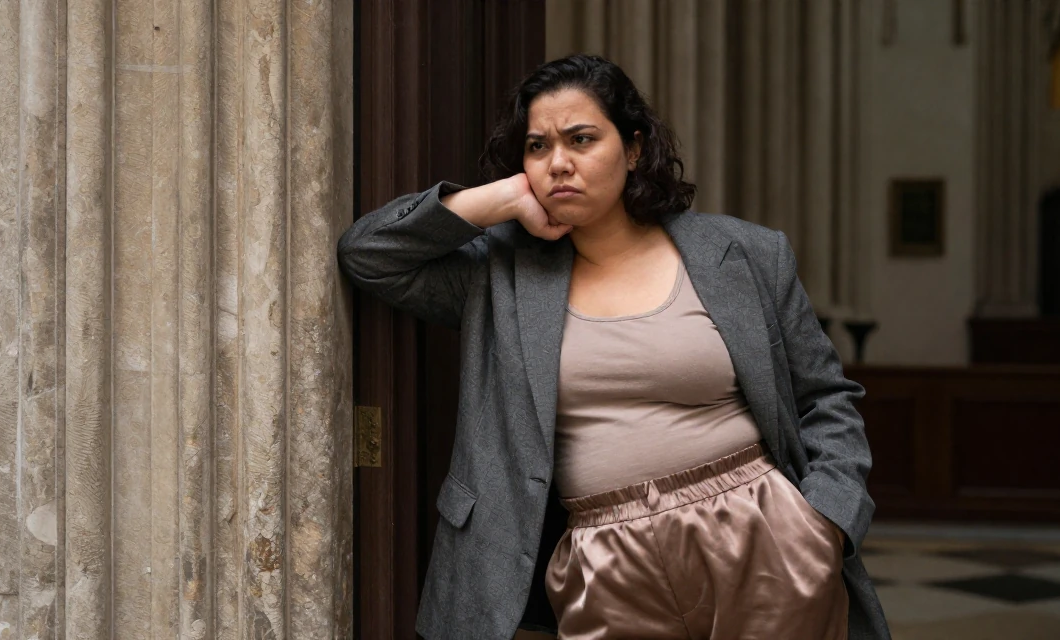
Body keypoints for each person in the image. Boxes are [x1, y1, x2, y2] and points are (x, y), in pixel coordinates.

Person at [338, 54, 889, 640]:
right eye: (537, 146)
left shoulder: (745, 255)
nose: (558, 163)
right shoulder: (498, 275)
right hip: (602, 558)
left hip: (763, 534)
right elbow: (368, 255)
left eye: (581, 139)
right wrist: (495, 201)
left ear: (633, 148)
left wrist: (826, 521)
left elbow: (827, 398)